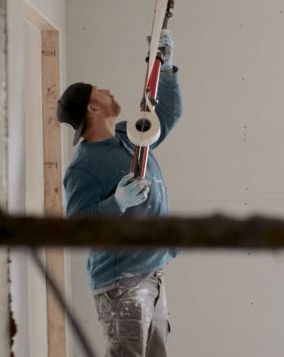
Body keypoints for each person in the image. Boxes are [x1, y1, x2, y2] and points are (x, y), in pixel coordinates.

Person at [56, 31, 182, 357]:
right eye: (102, 92)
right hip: (122, 284)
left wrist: (165, 69)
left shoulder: (129, 133)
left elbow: (167, 116)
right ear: (93, 108)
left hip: (151, 270)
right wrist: (118, 203)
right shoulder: (83, 167)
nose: (110, 92)